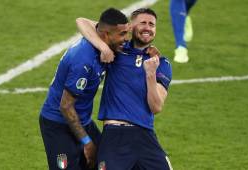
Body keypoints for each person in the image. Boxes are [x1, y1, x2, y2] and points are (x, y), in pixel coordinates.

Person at [76, 8, 173, 170]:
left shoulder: (161, 63)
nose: (148, 27)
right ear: (130, 27)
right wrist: (104, 48)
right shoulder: (118, 48)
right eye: (143, 23)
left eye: (152, 24)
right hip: (115, 135)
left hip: (145, 136)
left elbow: (156, 107)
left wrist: (150, 74)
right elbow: (82, 21)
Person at [39, 8, 130, 170]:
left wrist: (104, 47)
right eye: (122, 34)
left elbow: (84, 21)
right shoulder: (83, 61)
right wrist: (87, 143)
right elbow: (65, 106)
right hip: (58, 124)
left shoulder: (102, 42)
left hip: (83, 121)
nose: (126, 39)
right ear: (106, 35)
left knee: (106, 164)